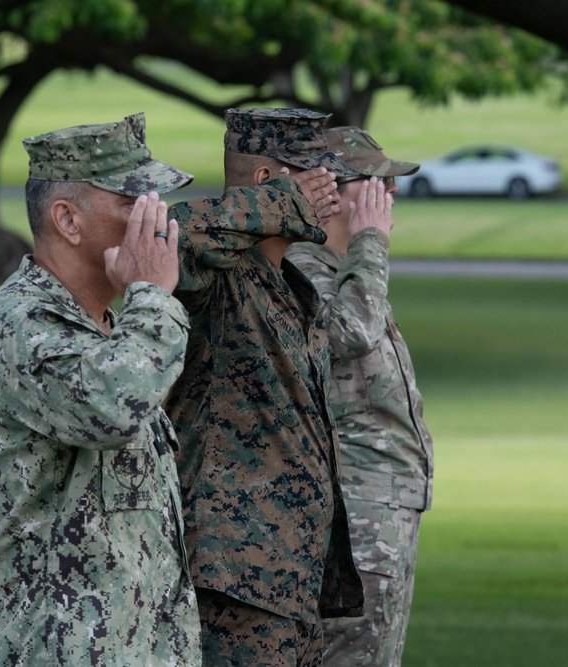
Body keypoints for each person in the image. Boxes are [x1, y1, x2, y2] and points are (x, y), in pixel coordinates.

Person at [0, 113, 201, 666]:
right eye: (133, 200)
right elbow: (114, 408)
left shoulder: (103, 328)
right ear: (67, 220)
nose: (157, 217)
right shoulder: (19, 327)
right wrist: (153, 294)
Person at [164, 107, 364, 667]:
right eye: (318, 179)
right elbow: (170, 237)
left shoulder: (292, 282)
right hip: (236, 579)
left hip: (292, 577)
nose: (336, 196)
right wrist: (281, 207)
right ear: (267, 186)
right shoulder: (215, 280)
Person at [285, 126, 434, 667]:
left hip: (384, 506)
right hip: (353, 515)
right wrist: (371, 243)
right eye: (374, 185)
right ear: (329, 194)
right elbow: (351, 334)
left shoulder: (346, 272)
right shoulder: (301, 273)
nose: (388, 197)